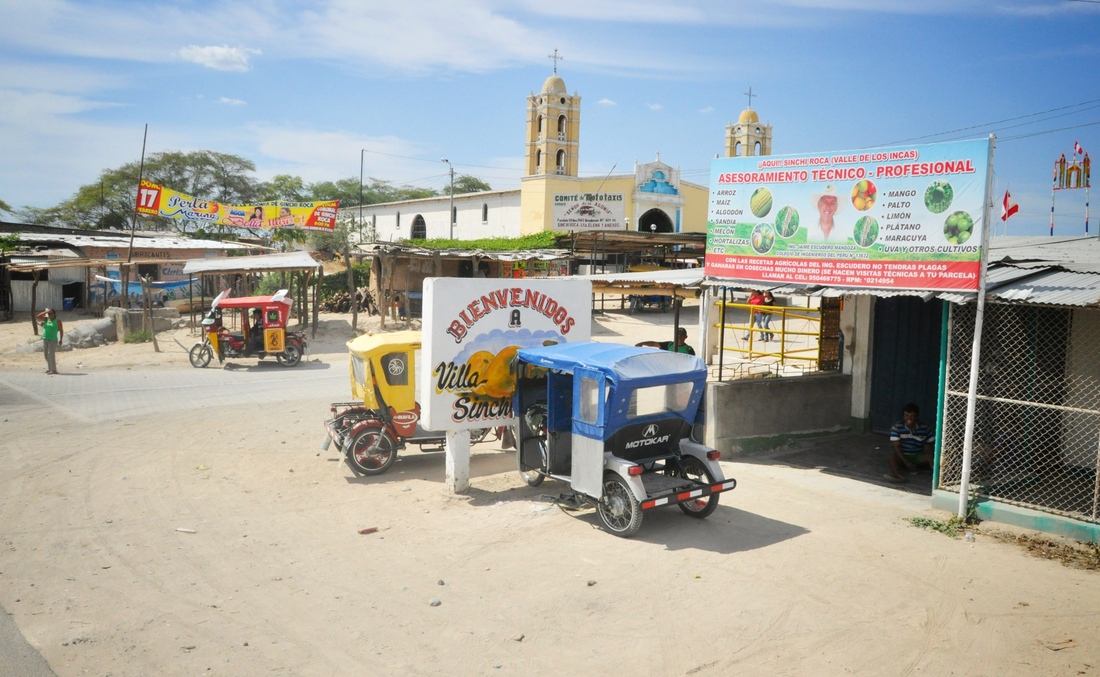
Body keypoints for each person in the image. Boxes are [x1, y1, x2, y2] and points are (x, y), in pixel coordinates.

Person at [886, 402, 934, 483]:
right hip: (903, 456)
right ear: (903, 416)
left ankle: (935, 473)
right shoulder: (897, 428)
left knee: (929, 449)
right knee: (892, 455)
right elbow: (896, 447)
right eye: (906, 415)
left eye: (912, 416)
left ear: (917, 417)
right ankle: (897, 475)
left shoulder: (925, 428)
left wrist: (927, 450)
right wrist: (906, 462)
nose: (909, 418)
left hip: (917, 456)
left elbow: (931, 443)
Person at [35, 308, 63, 375]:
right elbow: (38, 316)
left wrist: (61, 339)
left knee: (51, 355)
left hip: (53, 340)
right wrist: (46, 311)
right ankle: (50, 368)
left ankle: (54, 370)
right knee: (46, 355)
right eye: (49, 314)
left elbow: (61, 330)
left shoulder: (58, 321)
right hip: (45, 339)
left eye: (51, 313)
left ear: (54, 314)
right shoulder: (46, 319)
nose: (50, 315)